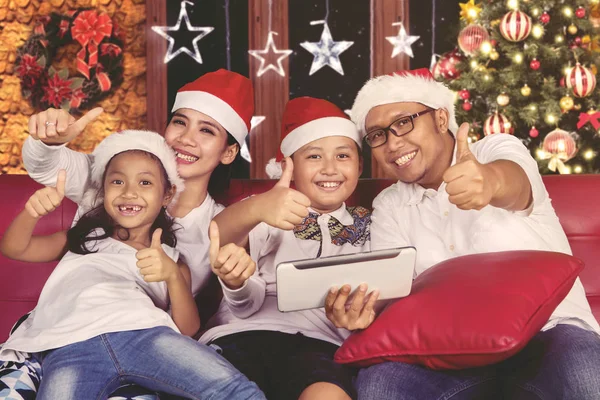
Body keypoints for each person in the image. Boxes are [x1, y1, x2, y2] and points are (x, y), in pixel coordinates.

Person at [330, 68, 600, 400]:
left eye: (403, 123)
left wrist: (489, 182)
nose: (393, 142)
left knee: (586, 373)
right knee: (381, 384)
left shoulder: (497, 149)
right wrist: (361, 310)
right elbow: (390, 288)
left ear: (441, 119)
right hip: (448, 357)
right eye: (377, 135)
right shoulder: (389, 206)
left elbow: (513, 184)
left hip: (549, 337)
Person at [0, 69, 256, 399]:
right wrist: (48, 142)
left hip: (145, 334)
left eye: (206, 130)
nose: (186, 138)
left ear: (228, 152)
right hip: (68, 340)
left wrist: (172, 274)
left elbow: (195, 323)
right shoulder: (96, 214)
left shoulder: (214, 229)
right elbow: (46, 169)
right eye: (180, 122)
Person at [200, 97, 375, 400]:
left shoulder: (371, 225)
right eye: (314, 157)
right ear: (288, 167)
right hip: (240, 338)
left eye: (343, 156)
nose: (330, 169)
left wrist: (359, 322)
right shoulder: (269, 210)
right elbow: (220, 232)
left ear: (359, 165)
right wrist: (257, 207)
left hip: (319, 347)